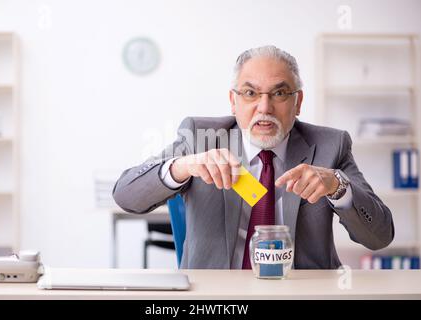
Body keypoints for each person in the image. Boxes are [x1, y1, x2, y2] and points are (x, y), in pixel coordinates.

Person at [113, 45, 394, 269]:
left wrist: (338, 186)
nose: (264, 107)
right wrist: (182, 166)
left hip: (303, 294)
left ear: (298, 102)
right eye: (250, 93)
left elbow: (379, 236)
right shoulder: (200, 137)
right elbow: (126, 194)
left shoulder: (331, 145)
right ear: (233, 101)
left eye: (280, 93)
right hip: (218, 298)